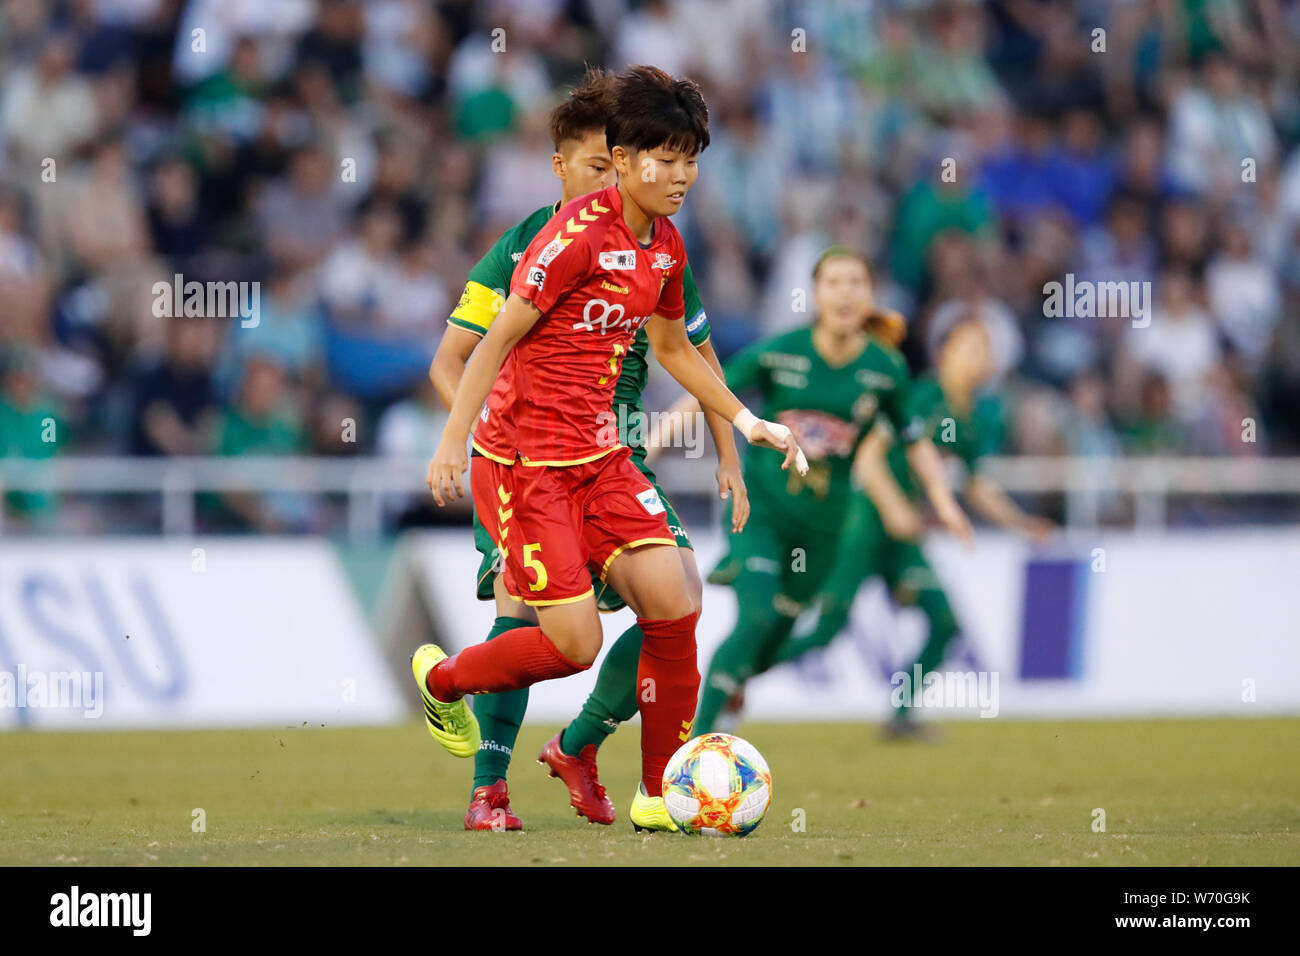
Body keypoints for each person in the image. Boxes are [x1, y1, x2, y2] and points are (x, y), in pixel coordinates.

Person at [419, 66, 805, 832]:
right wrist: (453, 442)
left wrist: (746, 424)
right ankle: (447, 685)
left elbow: (677, 348)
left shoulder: (665, 245)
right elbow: (487, 346)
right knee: (571, 644)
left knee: (676, 601)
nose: (683, 175)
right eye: (665, 158)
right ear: (619, 162)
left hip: (603, 455)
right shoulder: (562, 240)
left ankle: (662, 793)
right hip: (526, 466)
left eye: (691, 158)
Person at [689, 247, 973, 735]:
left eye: (857, 283)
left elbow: (910, 439)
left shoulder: (886, 371)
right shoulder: (781, 352)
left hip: (824, 526)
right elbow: (707, 390)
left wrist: (944, 503)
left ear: (870, 296)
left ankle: (733, 677)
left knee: (792, 630)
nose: (845, 293)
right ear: (816, 294)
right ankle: (695, 741)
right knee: (757, 617)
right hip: (761, 509)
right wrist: (649, 442)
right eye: (834, 283)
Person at [771, 313, 1055, 737]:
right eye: (972, 347)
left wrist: (1023, 523)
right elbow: (868, 453)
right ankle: (739, 674)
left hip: (903, 538)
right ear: (944, 355)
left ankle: (900, 714)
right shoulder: (921, 397)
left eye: (986, 350)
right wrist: (894, 509)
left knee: (944, 623)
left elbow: (977, 486)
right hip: (866, 523)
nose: (982, 358)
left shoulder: (972, 417)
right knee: (826, 629)